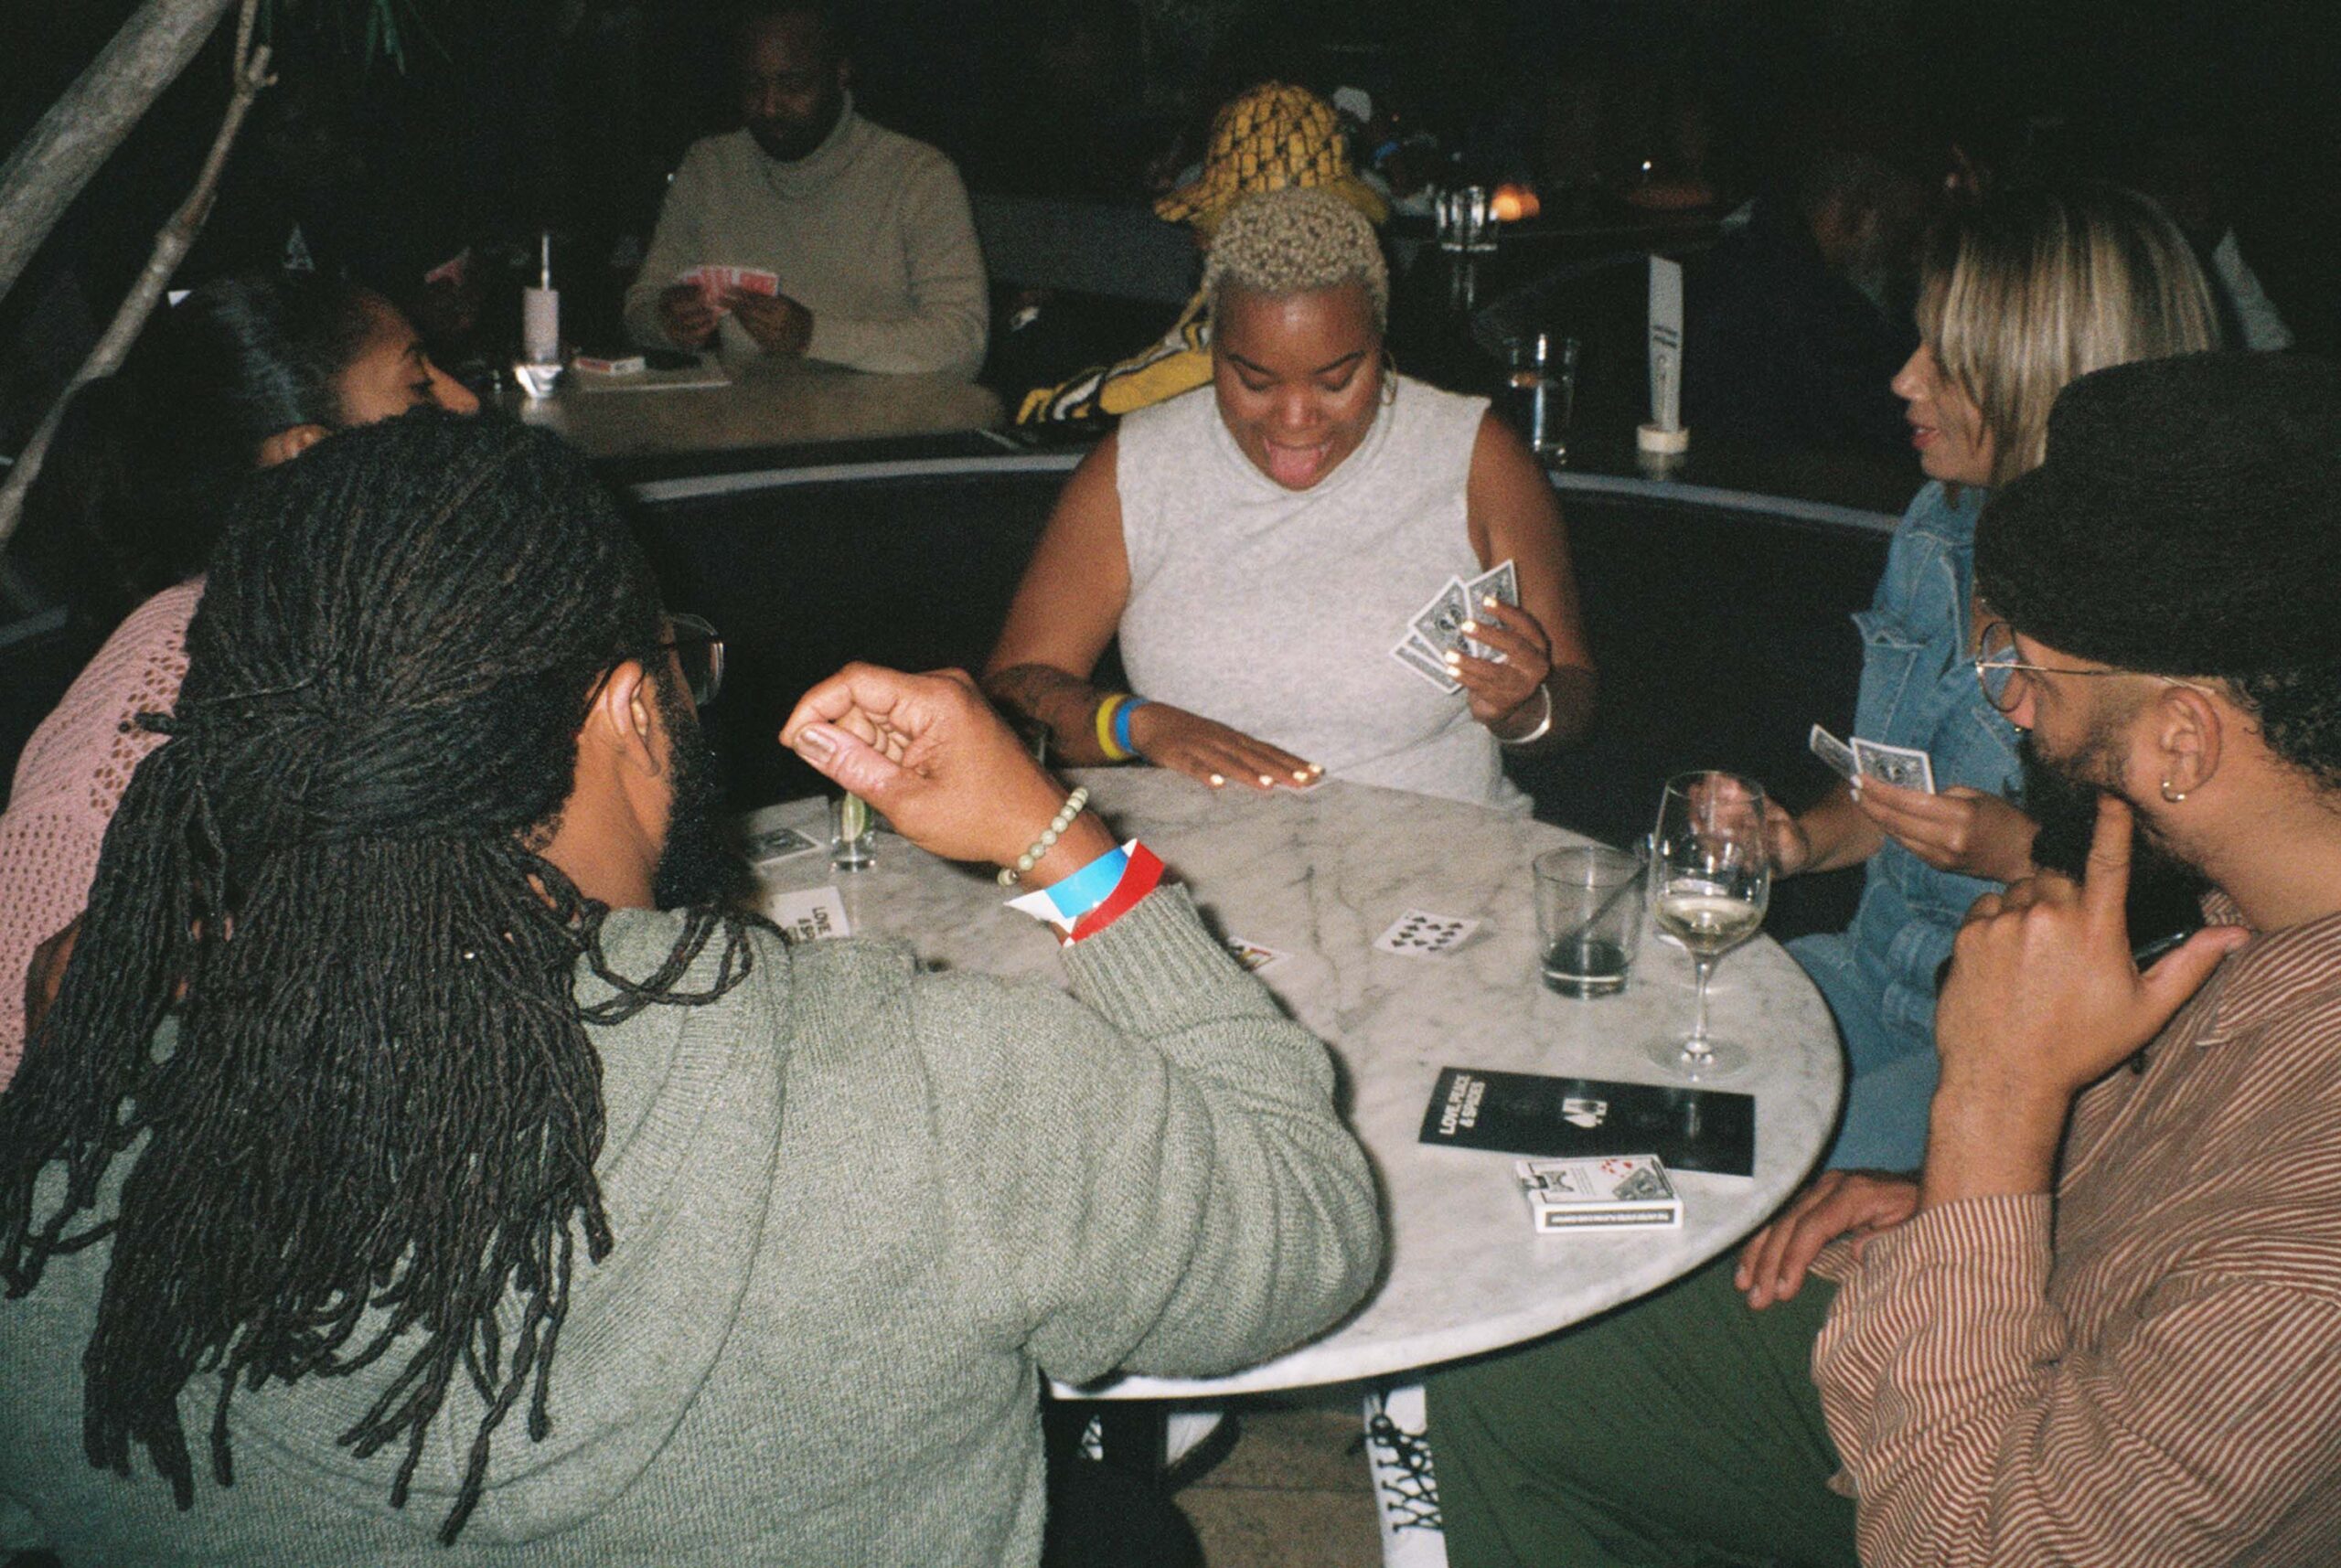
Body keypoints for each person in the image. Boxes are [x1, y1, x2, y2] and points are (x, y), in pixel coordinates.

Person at [0, 411, 1381, 1565]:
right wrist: (1058, 840)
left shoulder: (73, 1153)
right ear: (626, 706)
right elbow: (1308, 1226)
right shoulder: (926, 1086)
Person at [1428, 348, 2341, 1567]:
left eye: (2034, 671)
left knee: (1538, 1378)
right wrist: (1978, 1219)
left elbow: (1967, 1542)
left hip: (1987, 1488)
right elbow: (2160, 1237)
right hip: (2042, 1332)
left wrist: (1995, 1102)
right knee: (1523, 1344)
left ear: (2185, 737)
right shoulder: (2253, 919)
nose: (2010, 706)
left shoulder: (2303, 1261)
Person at [1764, 180, 2217, 1171]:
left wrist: (2019, 850)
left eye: (1945, 358)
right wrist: (1796, 838)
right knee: (1649, 1075)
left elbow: (2210, 930)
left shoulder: (2171, 608)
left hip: (2017, 1043)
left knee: (1759, 1174)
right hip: (1864, 971)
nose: (1902, 380)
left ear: (2049, 373)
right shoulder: (1941, 524)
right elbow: (1895, 784)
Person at [0, 273, 476, 1090]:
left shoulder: (378, 629)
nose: (464, 404)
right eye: (419, 382)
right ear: (310, 453)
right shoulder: (150, 703)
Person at [988, 187, 1595, 812]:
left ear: (1381, 343)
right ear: (1211, 346)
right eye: (1254, 381)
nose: (1296, 419)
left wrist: (1526, 708)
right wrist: (1135, 724)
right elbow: (1011, 693)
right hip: (1216, 873)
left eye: (1336, 381)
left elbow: (1572, 698)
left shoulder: (1476, 457)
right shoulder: (1134, 468)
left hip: (1441, 862)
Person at [622, 0, 988, 379]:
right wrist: (668, 321)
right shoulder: (709, 167)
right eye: (752, 85)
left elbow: (964, 345)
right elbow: (639, 309)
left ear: (840, 73)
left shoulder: (920, 177)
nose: (770, 107)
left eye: (794, 85)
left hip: (884, 426)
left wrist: (813, 336)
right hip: (747, 423)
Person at [1016, 80, 1389, 426]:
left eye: (1209, 225)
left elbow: (1060, 414)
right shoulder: (1369, 346)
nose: (1197, 238)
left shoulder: (1218, 353)